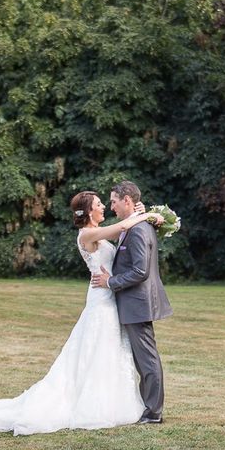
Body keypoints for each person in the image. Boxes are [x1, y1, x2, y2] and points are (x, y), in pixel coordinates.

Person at [0, 191, 163, 435]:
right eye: (99, 204)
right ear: (88, 211)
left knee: (107, 350)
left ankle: (113, 401)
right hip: (101, 300)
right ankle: (92, 404)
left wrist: (141, 214)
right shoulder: (87, 234)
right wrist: (148, 214)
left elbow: (125, 230)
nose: (104, 206)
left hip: (109, 296)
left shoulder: (98, 233)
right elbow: (124, 225)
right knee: (96, 349)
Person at [91, 180, 172, 424]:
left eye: (114, 201)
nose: (111, 206)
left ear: (127, 200)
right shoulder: (134, 225)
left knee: (147, 360)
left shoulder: (137, 230)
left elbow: (140, 271)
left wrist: (110, 282)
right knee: (142, 359)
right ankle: (148, 407)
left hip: (138, 303)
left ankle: (153, 412)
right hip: (134, 303)